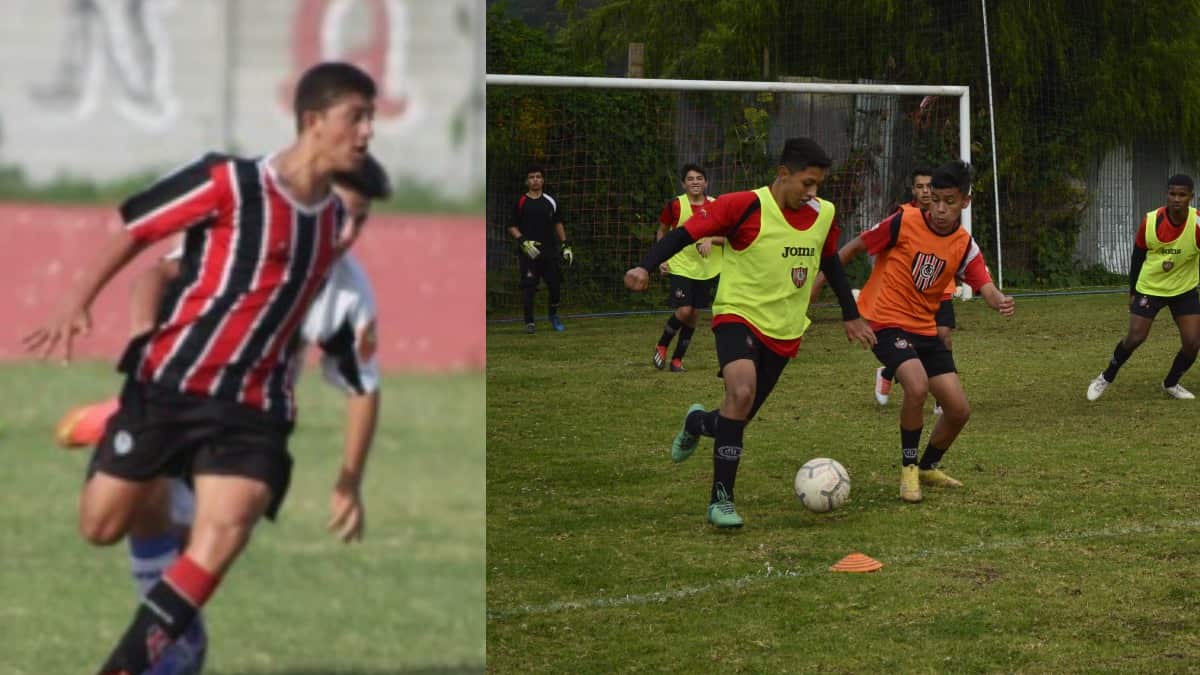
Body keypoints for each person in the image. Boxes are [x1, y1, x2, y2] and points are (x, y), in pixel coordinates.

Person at [23, 61, 376, 673]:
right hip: (170, 385)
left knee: (224, 529)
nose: (369, 132)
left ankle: (132, 664)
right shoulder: (231, 182)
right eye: (358, 116)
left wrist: (350, 467)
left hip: (254, 409)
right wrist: (77, 302)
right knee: (101, 526)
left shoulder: (335, 225)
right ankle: (118, 431)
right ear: (314, 121)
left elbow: (340, 347)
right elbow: (139, 232)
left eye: (371, 118)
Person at [624, 137, 875, 528]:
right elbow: (682, 234)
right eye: (807, 183)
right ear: (783, 174)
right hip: (737, 314)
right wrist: (644, 266)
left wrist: (850, 313)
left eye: (818, 186)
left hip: (786, 328)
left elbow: (830, 261)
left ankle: (696, 423)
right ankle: (720, 501)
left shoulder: (823, 213)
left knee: (736, 418)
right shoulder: (745, 205)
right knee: (740, 394)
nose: (813, 193)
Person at [838, 160, 1014, 504]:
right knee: (916, 386)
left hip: (925, 328)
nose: (939, 209)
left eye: (948, 201)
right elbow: (854, 247)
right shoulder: (904, 221)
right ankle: (907, 469)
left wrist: (999, 300)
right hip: (886, 320)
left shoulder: (964, 244)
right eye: (933, 200)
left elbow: (985, 284)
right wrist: (822, 283)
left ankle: (928, 466)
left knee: (959, 410)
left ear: (965, 201)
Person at [1086, 174, 1200, 401]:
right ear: (1166, 194)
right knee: (1135, 337)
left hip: (1184, 289)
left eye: (1182, 195)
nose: (1176, 199)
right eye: (1172, 194)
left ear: (1191, 197)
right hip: (1150, 288)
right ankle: (1105, 377)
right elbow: (1137, 256)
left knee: (1192, 342)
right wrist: (1133, 292)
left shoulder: (1197, 223)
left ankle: (1171, 383)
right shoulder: (1151, 221)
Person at [651, 163, 722, 372]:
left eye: (699, 178)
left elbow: (729, 236)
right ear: (683, 184)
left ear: (706, 182)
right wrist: (661, 258)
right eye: (690, 179)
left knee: (694, 314)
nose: (695, 182)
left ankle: (677, 360)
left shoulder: (717, 205)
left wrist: (711, 239)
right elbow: (662, 231)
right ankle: (662, 344)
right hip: (680, 264)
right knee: (684, 310)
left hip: (707, 267)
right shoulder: (674, 205)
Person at [507, 165, 573, 333]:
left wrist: (565, 244)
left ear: (543, 180)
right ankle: (529, 322)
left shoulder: (551, 201)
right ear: (527, 181)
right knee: (529, 286)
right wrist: (523, 241)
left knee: (555, 285)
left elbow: (558, 223)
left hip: (549, 251)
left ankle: (553, 315)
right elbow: (512, 226)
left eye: (538, 176)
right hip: (529, 253)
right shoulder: (521, 202)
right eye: (531, 177)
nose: (535, 179)